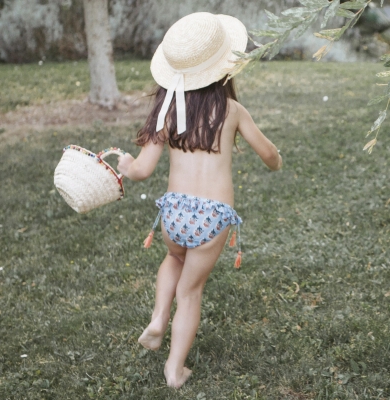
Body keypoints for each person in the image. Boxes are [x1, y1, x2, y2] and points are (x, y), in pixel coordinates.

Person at [117, 12, 282, 389]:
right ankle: (174, 370)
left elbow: (141, 170)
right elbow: (269, 156)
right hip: (213, 217)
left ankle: (159, 318)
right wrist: (277, 159)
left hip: (173, 212)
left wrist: (127, 165)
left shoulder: (166, 111)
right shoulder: (232, 111)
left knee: (173, 257)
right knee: (190, 292)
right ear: (224, 69)